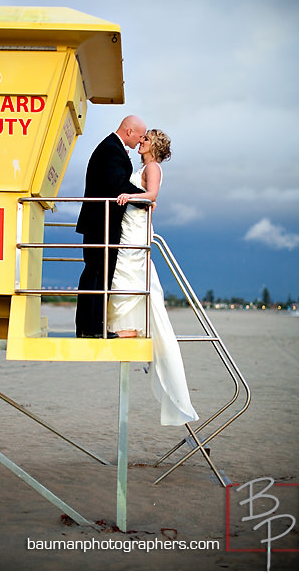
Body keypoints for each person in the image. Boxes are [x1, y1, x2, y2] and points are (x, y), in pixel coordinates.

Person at [108, 129, 198, 425]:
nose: (140, 142)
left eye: (145, 140)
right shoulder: (142, 167)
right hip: (132, 223)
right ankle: (128, 326)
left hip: (136, 226)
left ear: (153, 146)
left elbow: (152, 195)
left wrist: (129, 195)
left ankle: (130, 326)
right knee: (126, 272)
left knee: (127, 270)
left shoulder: (152, 167)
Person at [74, 115, 148, 338]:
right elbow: (118, 185)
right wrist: (145, 198)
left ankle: (92, 326)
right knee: (97, 273)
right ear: (129, 132)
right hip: (101, 223)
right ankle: (91, 328)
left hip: (102, 222)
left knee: (98, 273)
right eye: (140, 135)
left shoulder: (112, 147)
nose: (140, 140)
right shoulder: (110, 150)